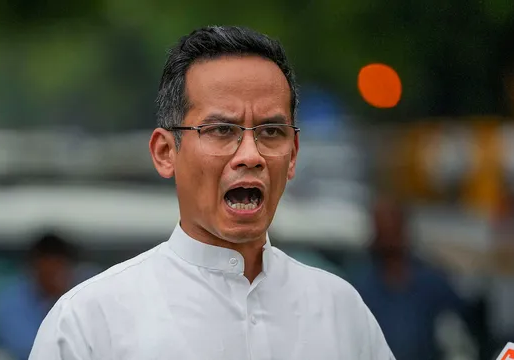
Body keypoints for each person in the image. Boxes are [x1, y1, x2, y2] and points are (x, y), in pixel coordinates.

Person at [29, 26, 394, 360]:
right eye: (222, 130)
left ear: (293, 153)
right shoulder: (89, 323)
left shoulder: (340, 312)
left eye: (270, 132)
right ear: (165, 152)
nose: (250, 155)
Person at [346, 196, 466, 360]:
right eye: (382, 227)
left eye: (392, 226)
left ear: (404, 228)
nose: (388, 234)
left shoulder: (432, 282)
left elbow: (461, 332)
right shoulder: (360, 286)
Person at [0, 232, 81, 360]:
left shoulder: (87, 290)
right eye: (47, 271)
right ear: (33, 268)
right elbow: (24, 347)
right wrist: (56, 302)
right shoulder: (12, 300)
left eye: (57, 269)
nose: (53, 277)